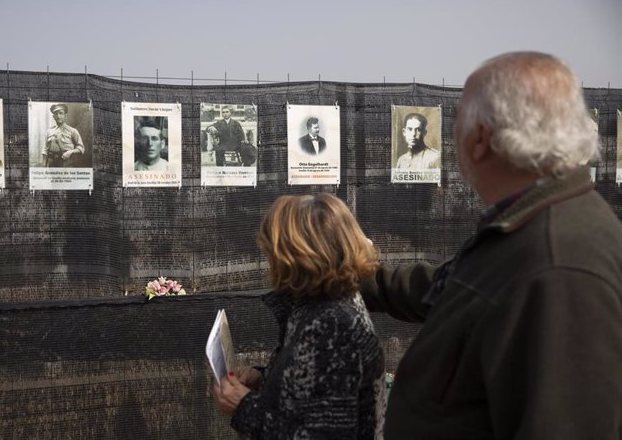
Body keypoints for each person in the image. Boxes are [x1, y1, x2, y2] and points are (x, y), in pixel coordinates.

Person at [361, 51, 622, 439]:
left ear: (480, 138)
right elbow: (456, 288)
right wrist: (359, 276)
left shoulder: (558, 266)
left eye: (456, 124)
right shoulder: (532, 225)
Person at [213, 193, 386, 439]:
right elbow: (311, 387)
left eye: (274, 252)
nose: (270, 261)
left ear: (298, 258)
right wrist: (265, 377)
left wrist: (244, 406)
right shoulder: (320, 305)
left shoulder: (333, 327)